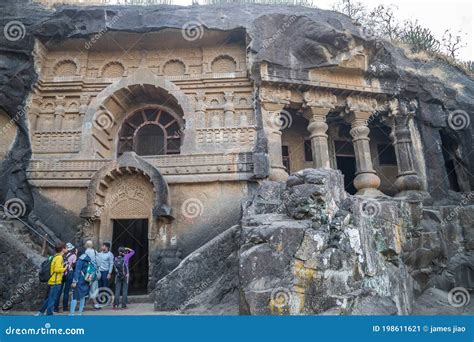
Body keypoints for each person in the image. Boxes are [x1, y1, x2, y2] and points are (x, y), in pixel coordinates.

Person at [36, 241, 67, 316]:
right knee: (52, 299)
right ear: (63, 249)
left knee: (49, 298)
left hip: (51, 280)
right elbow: (56, 269)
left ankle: (40, 312)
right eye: (66, 247)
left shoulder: (55, 256)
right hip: (56, 281)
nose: (67, 249)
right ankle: (49, 314)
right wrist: (64, 268)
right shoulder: (59, 258)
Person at [54, 243, 77, 312]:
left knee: (59, 291)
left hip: (62, 273)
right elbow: (73, 265)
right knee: (66, 291)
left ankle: (55, 308)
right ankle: (65, 308)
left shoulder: (62, 255)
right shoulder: (73, 255)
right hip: (69, 273)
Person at [70, 247, 91, 316]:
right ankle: (80, 313)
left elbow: (77, 271)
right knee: (83, 296)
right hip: (86, 279)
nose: (76, 252)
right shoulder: (88, 259)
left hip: (79, 280)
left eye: (76, 250)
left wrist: (74, 281)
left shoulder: (80, 260)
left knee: (74, 296)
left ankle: (72, 313)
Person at [84, 240, 101, 310]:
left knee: (87, 288)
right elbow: (99, 262)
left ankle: (84, 304)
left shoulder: (86, 252)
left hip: (88, 272)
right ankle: (96, 304)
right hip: (95, 272)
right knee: (95, 288)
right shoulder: (95, 251)